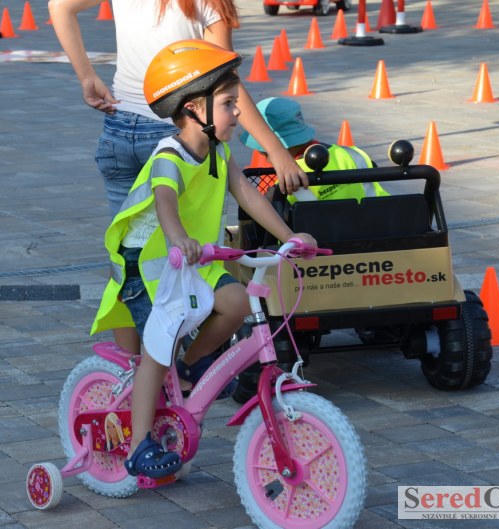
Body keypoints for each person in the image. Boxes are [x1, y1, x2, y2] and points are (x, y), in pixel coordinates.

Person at [90, 40, 317, 479]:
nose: (238, 112)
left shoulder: (219, 152)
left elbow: (247, 193)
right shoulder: (169, 155)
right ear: (195, 109)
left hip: (191, 259)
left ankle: (193, 365)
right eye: (229, 104)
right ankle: (138, 446)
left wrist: (289, 237)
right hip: (149, 266)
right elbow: (165, 201)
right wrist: (179, 238)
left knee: (237, 303)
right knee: (158, 350)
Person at [48, 0, 309, 354]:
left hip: (119, 130)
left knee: (129, 256)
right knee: (178, 267)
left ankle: (131, 366)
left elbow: (59, 6)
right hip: (175, 131)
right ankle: (167, 368)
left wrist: (87, 76)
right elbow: (222, 81)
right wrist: (275, 150)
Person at [240, 97, 389, 202]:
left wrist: (270, 199)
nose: (266, 158)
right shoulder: (353, 154)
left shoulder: (289, 181)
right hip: (374, 231)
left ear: (281, 144)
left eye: (264, 151)